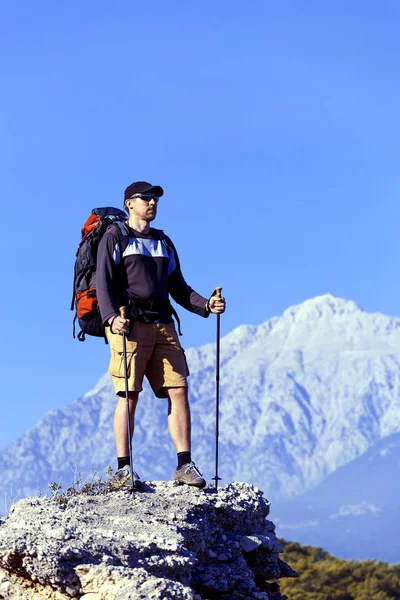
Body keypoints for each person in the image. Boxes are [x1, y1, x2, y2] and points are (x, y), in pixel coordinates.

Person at [97, 181, 226, 489]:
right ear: (130, 203)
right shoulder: (116, 237)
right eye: (145, 198)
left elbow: (178, 287)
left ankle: (184, 464)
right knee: (129, 394)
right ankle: (123, 469)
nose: (152, 203)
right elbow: (102, 283)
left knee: (178, 389)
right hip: (129, 323)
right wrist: (111, 319)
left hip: (163, 323)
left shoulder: (163, 242)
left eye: (155, 199)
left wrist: (206, 305)